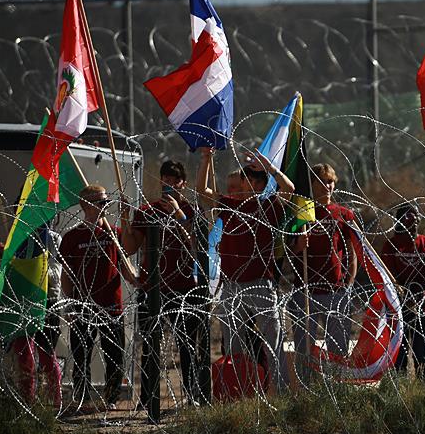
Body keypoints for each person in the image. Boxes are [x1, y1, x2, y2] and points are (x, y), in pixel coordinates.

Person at [197, 147, 295, 392]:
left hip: (261, 283)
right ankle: (239, 393)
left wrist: (270, 169)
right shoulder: (229, 204)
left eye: (257, 180)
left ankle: (279, 392)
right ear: (241, 182)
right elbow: (201, 191)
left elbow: (290, 190)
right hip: (231, 285)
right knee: (234, 346)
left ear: (263, 185)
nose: (251, 183)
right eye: (247, 179)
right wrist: (206, 158)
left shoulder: (269, 206)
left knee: (273, 342)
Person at [123, 160, 201, 406]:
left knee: (187, 344)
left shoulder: (190, 210)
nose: (169, 185)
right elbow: (130, 246)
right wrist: (125, 219)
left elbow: (196, 247)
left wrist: (179, 214)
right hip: (152, 287)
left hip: (183, 286)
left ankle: (192, 394)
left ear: (183, 184)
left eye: (174, 181)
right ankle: (147, 399)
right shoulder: (148, 210)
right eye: (165, 180)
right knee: (149, 345)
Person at [60, 185, 137, 409]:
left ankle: (111, 398)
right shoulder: (73, 237)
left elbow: (125, 260)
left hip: (111, 305)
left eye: (106, 202)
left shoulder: (113, 233)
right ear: (86, 205)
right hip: (83, 305)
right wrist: (70, 304)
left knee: (114, 354)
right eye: (100, 202)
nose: (105, 206)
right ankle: (82, 398)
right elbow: (67, 274)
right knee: (81, 353)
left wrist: (125, 217)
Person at [289, 163, 358, 381]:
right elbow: (287, 249)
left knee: (338, 349)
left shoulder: (343, 214)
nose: (326, 186)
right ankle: (306, 389)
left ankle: (337, 389)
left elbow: (352, 251)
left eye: (330, 181)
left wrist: (349, 281)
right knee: (305, 349)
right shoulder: (301, 213)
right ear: (311, 185)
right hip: (305, 289)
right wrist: (298, 245)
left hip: (335, 290)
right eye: (321, 181)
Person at [5, 226, 63, 408]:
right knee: (24, 354)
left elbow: (56, 273)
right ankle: (27, 401)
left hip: (48, 300)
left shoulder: (52, 239)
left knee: (46, 354)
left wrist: (34, 268)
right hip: (22, 303)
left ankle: (55, 402)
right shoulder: (16, 241)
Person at [381, 203, 425, 379]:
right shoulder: (391, 246)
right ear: (399, 221)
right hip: (398, 309)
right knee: (399, 357)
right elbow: (388, 279)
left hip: (424, 306)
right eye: (408, 217)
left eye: (416, 216)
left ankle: (423, 396)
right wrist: (404, 299)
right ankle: (401, 394)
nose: (414, 221)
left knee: (422, 356)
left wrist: (417, 298)